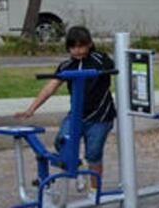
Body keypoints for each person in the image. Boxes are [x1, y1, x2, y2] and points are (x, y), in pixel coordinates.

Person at [15, 26, 117, 190]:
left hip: (100, 117)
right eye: (73, 47)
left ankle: (94, 190)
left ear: (90, 44)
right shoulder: (66, 65)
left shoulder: (100, 60)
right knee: (62, 142)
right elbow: (50, 87)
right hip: (76, 115)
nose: (77, 50)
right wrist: (31, 109)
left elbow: (119, 66)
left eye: (81, 46)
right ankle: (76, 167)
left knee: (94, 153)